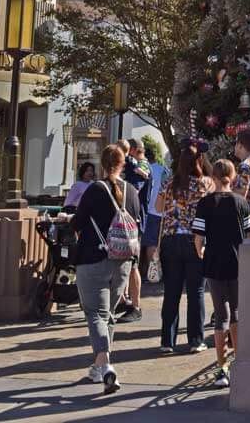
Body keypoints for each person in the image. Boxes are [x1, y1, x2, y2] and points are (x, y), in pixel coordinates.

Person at [72, 143, 141, 392]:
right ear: (123, 164)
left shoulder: (94, 190)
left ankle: (106, 365)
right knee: (108, 313)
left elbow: (78, 222)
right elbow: (138, 227)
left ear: (102, 164)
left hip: (94, 258)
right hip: (122, 261)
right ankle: (98, 367)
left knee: (95, 314)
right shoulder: (131, 191)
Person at [192, 159, 250, 387]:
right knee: (237, 313)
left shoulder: (205, 203)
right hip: (238, 263)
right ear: (233, 176)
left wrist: (201, 252)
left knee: (221, 315)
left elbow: (198, 238)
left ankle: (221, 367)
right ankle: (239, 361)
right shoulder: (241, 202)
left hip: (214, 263)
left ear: (214, 176)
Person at [155, 139, 214, 353]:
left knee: (171, 292)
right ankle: (196, 340)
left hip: (170, 241)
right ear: (199, 160)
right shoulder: (205, 184)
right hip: (195, 241)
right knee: (196, 291)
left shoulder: (169, 183)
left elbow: (158, 207)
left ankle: (167, 342)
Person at [116, 138, 151, 323]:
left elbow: (135, 188)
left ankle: (135, 306)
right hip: (127, 220)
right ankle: (124, 300)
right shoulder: (134, 165)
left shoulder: (141, 165)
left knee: (132, 264)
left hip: (135, 221)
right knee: (124, 262)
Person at [143, 143, 169, 263]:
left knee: (150, 243)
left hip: (149, 211)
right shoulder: (164, 169)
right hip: (163, 211)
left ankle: (150, 273)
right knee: (160, 243)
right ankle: (158, 272)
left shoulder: (145, 169)